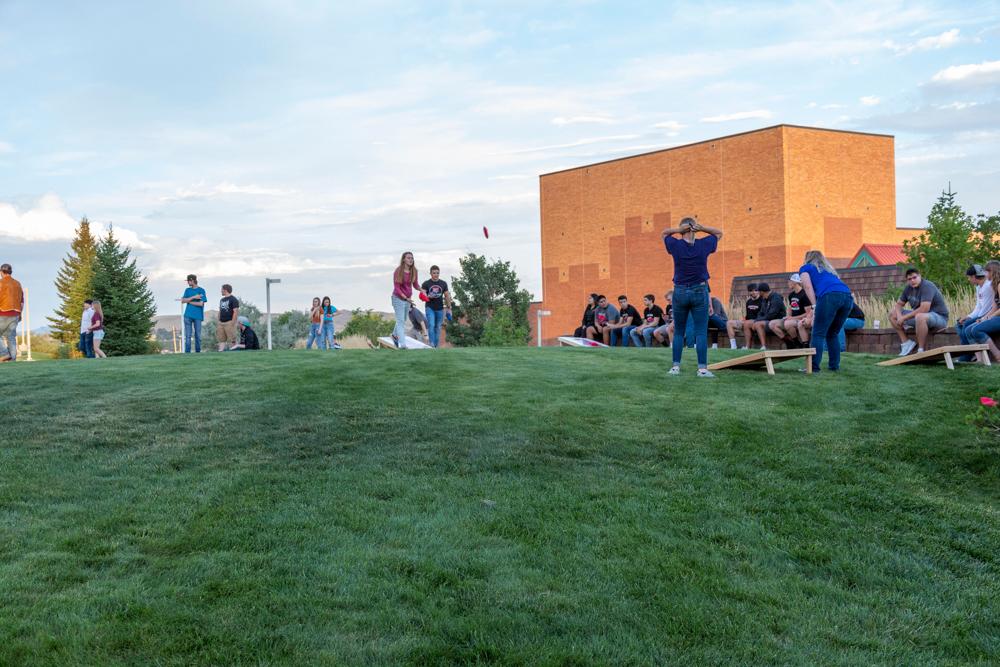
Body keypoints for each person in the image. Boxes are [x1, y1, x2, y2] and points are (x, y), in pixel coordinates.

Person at [662, 216, 723, 377]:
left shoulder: (675, 245)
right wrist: (702, 228)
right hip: (699, 291)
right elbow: (718, 233)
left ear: (682, 230)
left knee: (679, 331)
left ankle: (675, 367)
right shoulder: (703, 245)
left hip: (680, 291)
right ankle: (702, 369)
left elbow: (664, 234)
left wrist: (679, 230)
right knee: (701, 332)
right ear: (694, 228)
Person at [798, 250, 854, 372]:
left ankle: (813, 367)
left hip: (829, 296)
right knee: (832, 333)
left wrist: (814, 305)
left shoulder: (805, 268)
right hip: (847, 296)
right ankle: (834, 366)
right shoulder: (830, 271)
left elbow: (807, 286)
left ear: (807, 258)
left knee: (818, 333)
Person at [889, 268, 950, 356]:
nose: (912, 281)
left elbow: (924, 309)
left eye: (914, 277)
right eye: (909, 279)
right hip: (921, 318)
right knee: (892, 314)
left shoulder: (927, 286)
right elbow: (898, 305)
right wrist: (899, 317)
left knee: (920, 316)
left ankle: (921, 350)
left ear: (920, 276)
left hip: (939, 318)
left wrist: (904, 318)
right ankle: (906, 343)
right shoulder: (908, 289)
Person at [956, 264, 992, 362]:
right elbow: (978, 306)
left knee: (967, 325)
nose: (969, 280)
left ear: (974, 276)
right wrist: (968, 316)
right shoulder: (978, 287)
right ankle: (971, 354)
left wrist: (980, 318)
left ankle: (966, 356)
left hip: (987, 315)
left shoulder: (988, 285)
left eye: (969, 277)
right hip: (981, 314)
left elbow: (989, 306)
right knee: (959, 324)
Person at [966, 260, 1000, 362]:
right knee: (968, 330)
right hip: (996, 316)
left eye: (986, 271)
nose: (984, 274)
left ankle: (997, 355)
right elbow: (994, 308)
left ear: (992, 272)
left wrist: (989, 318)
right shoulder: (995, 285)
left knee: (976, 330)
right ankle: (980, 360)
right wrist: (983, 318)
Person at [391, 251, 425, 349]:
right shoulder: (398, 271)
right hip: (397, 298)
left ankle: (394, 335)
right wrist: (405, 298)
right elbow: (397, 287)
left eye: (412, 258)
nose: (411, 260)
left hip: (407, 300)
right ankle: (403, 344)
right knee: (401, 321)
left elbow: (415, 284)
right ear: (404, 259)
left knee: (403, 319)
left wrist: (421, 290)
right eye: (408, 258)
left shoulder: (414, 271)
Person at [769, 274, 812, 349]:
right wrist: (788, 316)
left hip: (801, 319)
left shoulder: (804, 294)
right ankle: (790, 343)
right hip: (793, 318)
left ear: (795, 282)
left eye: (789, 281)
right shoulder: (791, 295)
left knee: (787, 324)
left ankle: (798, 343)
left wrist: (792, 318)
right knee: (772, 324)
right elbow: (790, 308)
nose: (788, 283)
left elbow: (808, 313)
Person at [422, 265, 452, 348]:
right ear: (430, 273)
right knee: (431, 325)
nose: (436, 274)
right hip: (429, 307)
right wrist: (428, 296)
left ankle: (436, 345)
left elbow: (447, 296)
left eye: (437, 273)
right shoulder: (426, 283)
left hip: (440, 308)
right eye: (434, 273)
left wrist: (449, 308)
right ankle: (431, 344)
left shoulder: (443, 283)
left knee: (438, 327)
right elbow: (422, 295)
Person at [750, 283, 786, 350]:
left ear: (762, 292)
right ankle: (748, 347)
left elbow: (771, 315)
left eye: (758, 291)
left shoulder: (776, 298)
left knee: (758, 324)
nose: (758, 293)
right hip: (768, 320)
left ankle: (763, 346)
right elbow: (760, 312)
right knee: (747, 324)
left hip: (778, 320)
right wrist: (756, 320)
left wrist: (757, 321)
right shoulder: (765, 299)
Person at [0, 263, 24, 362]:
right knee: (11, 337)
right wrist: (20, 314)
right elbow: (22, 301)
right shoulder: (18, 284)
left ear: (1, 272)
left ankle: (4, 353)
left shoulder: (1, 283)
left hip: (3, 312)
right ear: (10, 272)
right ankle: (12, 361)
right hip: (15, 314)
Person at [726, 283, 762, 349]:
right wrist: (744, 318)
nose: (753, 292)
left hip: (757, 321)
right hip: (747, 321)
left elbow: (763, 315)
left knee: (746, 323)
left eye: (755, 290)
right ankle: (733, 346)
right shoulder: (748, 302)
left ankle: (747, 346)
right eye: (751, 291)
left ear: (758, 291)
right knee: (729, 323)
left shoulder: (762, 300)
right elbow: (748, 315)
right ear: (749, 292)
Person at [180, 274, 207, 353]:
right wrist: (194, 297)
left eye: (188, 281)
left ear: (192, 280)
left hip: (198, 316)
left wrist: (189, 301)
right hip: (187, 316)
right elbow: (183, 301)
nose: (188, 282)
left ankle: (198, 352)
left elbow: (201, 304)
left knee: (198, 335)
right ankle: (187, 353)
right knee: (188, 336)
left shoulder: (201, 290)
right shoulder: (187, 290)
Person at [216, 284, 240, 352]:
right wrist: (218, 321)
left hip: (229, 322)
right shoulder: (222, 300)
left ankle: (233, 352)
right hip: (221, 323)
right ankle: (220, 351)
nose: (221, 291)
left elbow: (235, 312)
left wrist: (232, 322)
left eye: (222, 289)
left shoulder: (233, 299)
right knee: (221, 339)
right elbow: (220, 311)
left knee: (232, 339)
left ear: (225, 290)